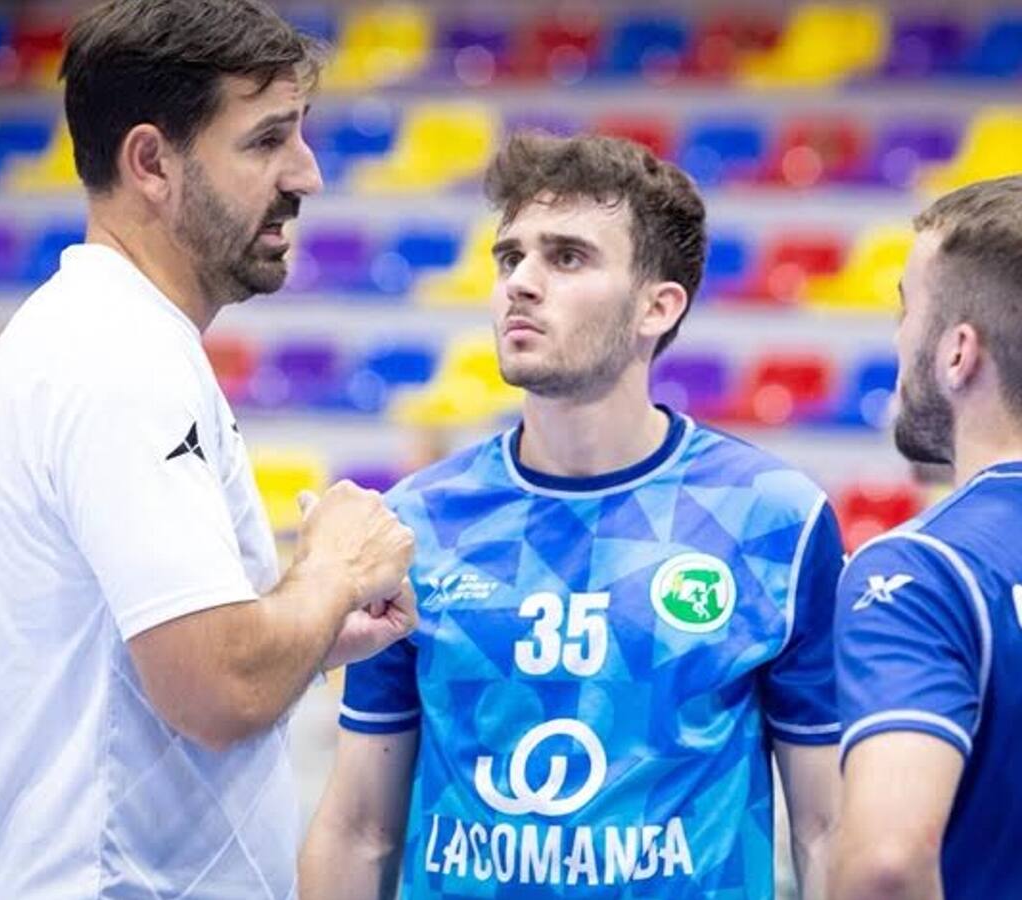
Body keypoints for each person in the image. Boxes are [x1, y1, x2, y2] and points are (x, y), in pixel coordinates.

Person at [0, 2, 416, 898]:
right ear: (152, 163)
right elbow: (217, 689)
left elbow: (159, 666)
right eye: (267, 139)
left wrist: (311, 629)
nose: (308, 174)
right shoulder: (118, 358)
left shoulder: (107, 337)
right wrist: (335, 572)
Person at [301, 132, 843, 899]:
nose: (521, 283)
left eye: (566, 257)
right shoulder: (412, 524)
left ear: (658, 307)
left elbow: (826, 830)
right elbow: (360, 828)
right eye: (509, 257)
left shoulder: (775, 521)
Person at [830, 176, 1022, 899]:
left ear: (957, 353)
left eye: (907, 310)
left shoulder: (922, 570)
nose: (898, 338)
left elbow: (886, 866)